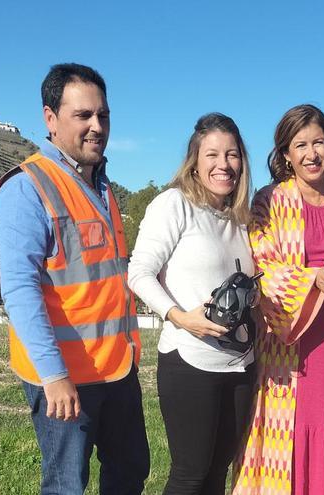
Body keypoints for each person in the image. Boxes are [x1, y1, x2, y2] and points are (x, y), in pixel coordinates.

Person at [0, 63, 149, 494]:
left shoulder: (102, 186)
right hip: (65, 378)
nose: (97, 126)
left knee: (129, 472)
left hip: (117, 369)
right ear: (50, 119)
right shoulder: (27, 188)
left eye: (103, 115)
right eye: (83, 116)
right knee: (66, 485)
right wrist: (53, 375)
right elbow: (20, 290)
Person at [231, 104, 324, 495]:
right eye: (300, 145)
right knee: (293, 430)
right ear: (285, 154)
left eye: (319, 142)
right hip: (292, 339)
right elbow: (262, 264)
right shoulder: (270, 200)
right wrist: (310, 279)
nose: (311, 153)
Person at [127, 112, 256, 494]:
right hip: (190, 360)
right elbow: (138, 273)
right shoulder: (174, 204)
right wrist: (181, 318)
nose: (223, 164)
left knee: (218, 472)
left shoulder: (240, 218)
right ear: (195, 162)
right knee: (191, 473)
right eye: (212, 155)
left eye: (232, 155)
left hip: (240, 364)